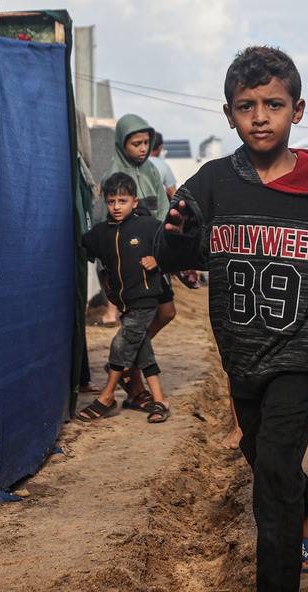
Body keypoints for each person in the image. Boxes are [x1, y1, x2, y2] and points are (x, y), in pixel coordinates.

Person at [159, 46, 308, 590]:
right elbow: (176, 256)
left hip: (298, 353)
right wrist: (174, 232)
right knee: (261, 453)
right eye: (246, 106)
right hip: (241, 356)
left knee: (270, 476)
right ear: (229, 115)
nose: (260, 116)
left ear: (298, 109)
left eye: (274, 103)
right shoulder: (214, 183)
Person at [77, 172, 171, 424]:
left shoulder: (148, 226)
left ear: (135, 202)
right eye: (111, 201)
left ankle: (107, 397)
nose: (117, 207)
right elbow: (82, 243)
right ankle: (159, 400)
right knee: (142, 350)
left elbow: (173, 246)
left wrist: (158, 260)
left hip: (146, 299)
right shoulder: (101, 233)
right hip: (125, 303)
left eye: (122, 201)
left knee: (121, 344)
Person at [101, 114, 177, 409]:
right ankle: (135, 389)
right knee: (137, 322)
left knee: (167, 312)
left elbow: (163, 211)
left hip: (154, 260)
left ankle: (124, 362)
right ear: (122, 143)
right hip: (129, 267)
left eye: (146, 142)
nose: (142, 148)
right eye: (136, 143)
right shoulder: (114, 176)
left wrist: (166, 252)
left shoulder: (151, 171)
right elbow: (104, 226)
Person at [147, 130, 178, 198]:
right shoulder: (164, 166)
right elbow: (173, 194)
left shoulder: (134, 162)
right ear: (160, 147)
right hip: (155, 206)